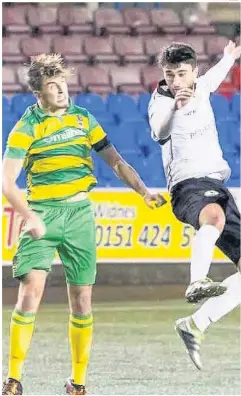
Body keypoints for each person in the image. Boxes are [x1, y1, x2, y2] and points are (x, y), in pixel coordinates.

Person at [2, 54, 166, 396]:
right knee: (30, 294)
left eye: (62, 82)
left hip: (79, 216)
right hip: (42, 214)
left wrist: (143, 192)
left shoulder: (83, 119)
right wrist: (30, 217)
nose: (61, 89)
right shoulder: (27, 128)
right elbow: (7, 182)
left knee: (82, 301)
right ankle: (13, 379)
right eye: (52, 85)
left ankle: (77, 383)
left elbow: (116, 160)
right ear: (38, 93)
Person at [148, 41, 241, 368]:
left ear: (193, 72)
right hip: (188, 185)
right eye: (169, 74)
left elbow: (214, 77)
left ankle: (196, 323)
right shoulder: (160, 101)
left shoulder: (201, 86)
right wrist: (175, 106)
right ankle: (197, 280)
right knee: (212, 217)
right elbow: (159, 132)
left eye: (181, 74)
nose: (175, 80)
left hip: (217, 185)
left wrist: (230, 56)